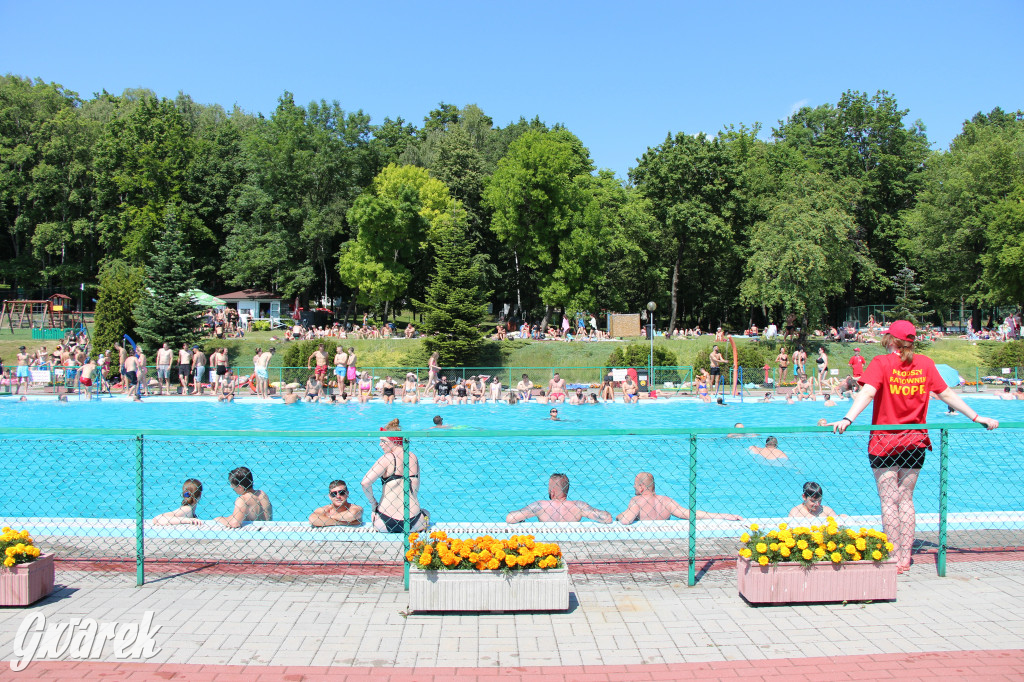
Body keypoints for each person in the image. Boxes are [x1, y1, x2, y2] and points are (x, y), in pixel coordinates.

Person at [831, 319, 998, 574]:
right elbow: (947, 395)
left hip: (884, 440)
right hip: (915, 440)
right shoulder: (925, 364)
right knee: (906, 499)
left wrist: (847, 418)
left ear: (891, 340)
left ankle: (892, 554)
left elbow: (867, 393)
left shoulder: (881, 363)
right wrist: (977, 417)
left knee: (888, 501)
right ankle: (905, 557)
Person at [361, 418, 429, 532]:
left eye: (383, 441)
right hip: (414, 521)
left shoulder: (387, 458)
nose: (380, 444)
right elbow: (415, 491)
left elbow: (365, 482)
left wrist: (374, 505)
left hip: (385, 521)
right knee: (426, 513)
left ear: (393, 441)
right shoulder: (412, 457)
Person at [617, 472, 742, 524]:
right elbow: (691, 514)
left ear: (641, 487)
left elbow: (626, 521)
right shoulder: (667, 501)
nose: (633, 486)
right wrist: (723, 516)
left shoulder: (637, 501)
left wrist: (619, 516)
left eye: (635, 484)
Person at [506, 473, 612, 524]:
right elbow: (607, 518)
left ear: (552, 492)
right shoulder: (579, 506)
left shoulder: (541, 506)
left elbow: (510, 518)